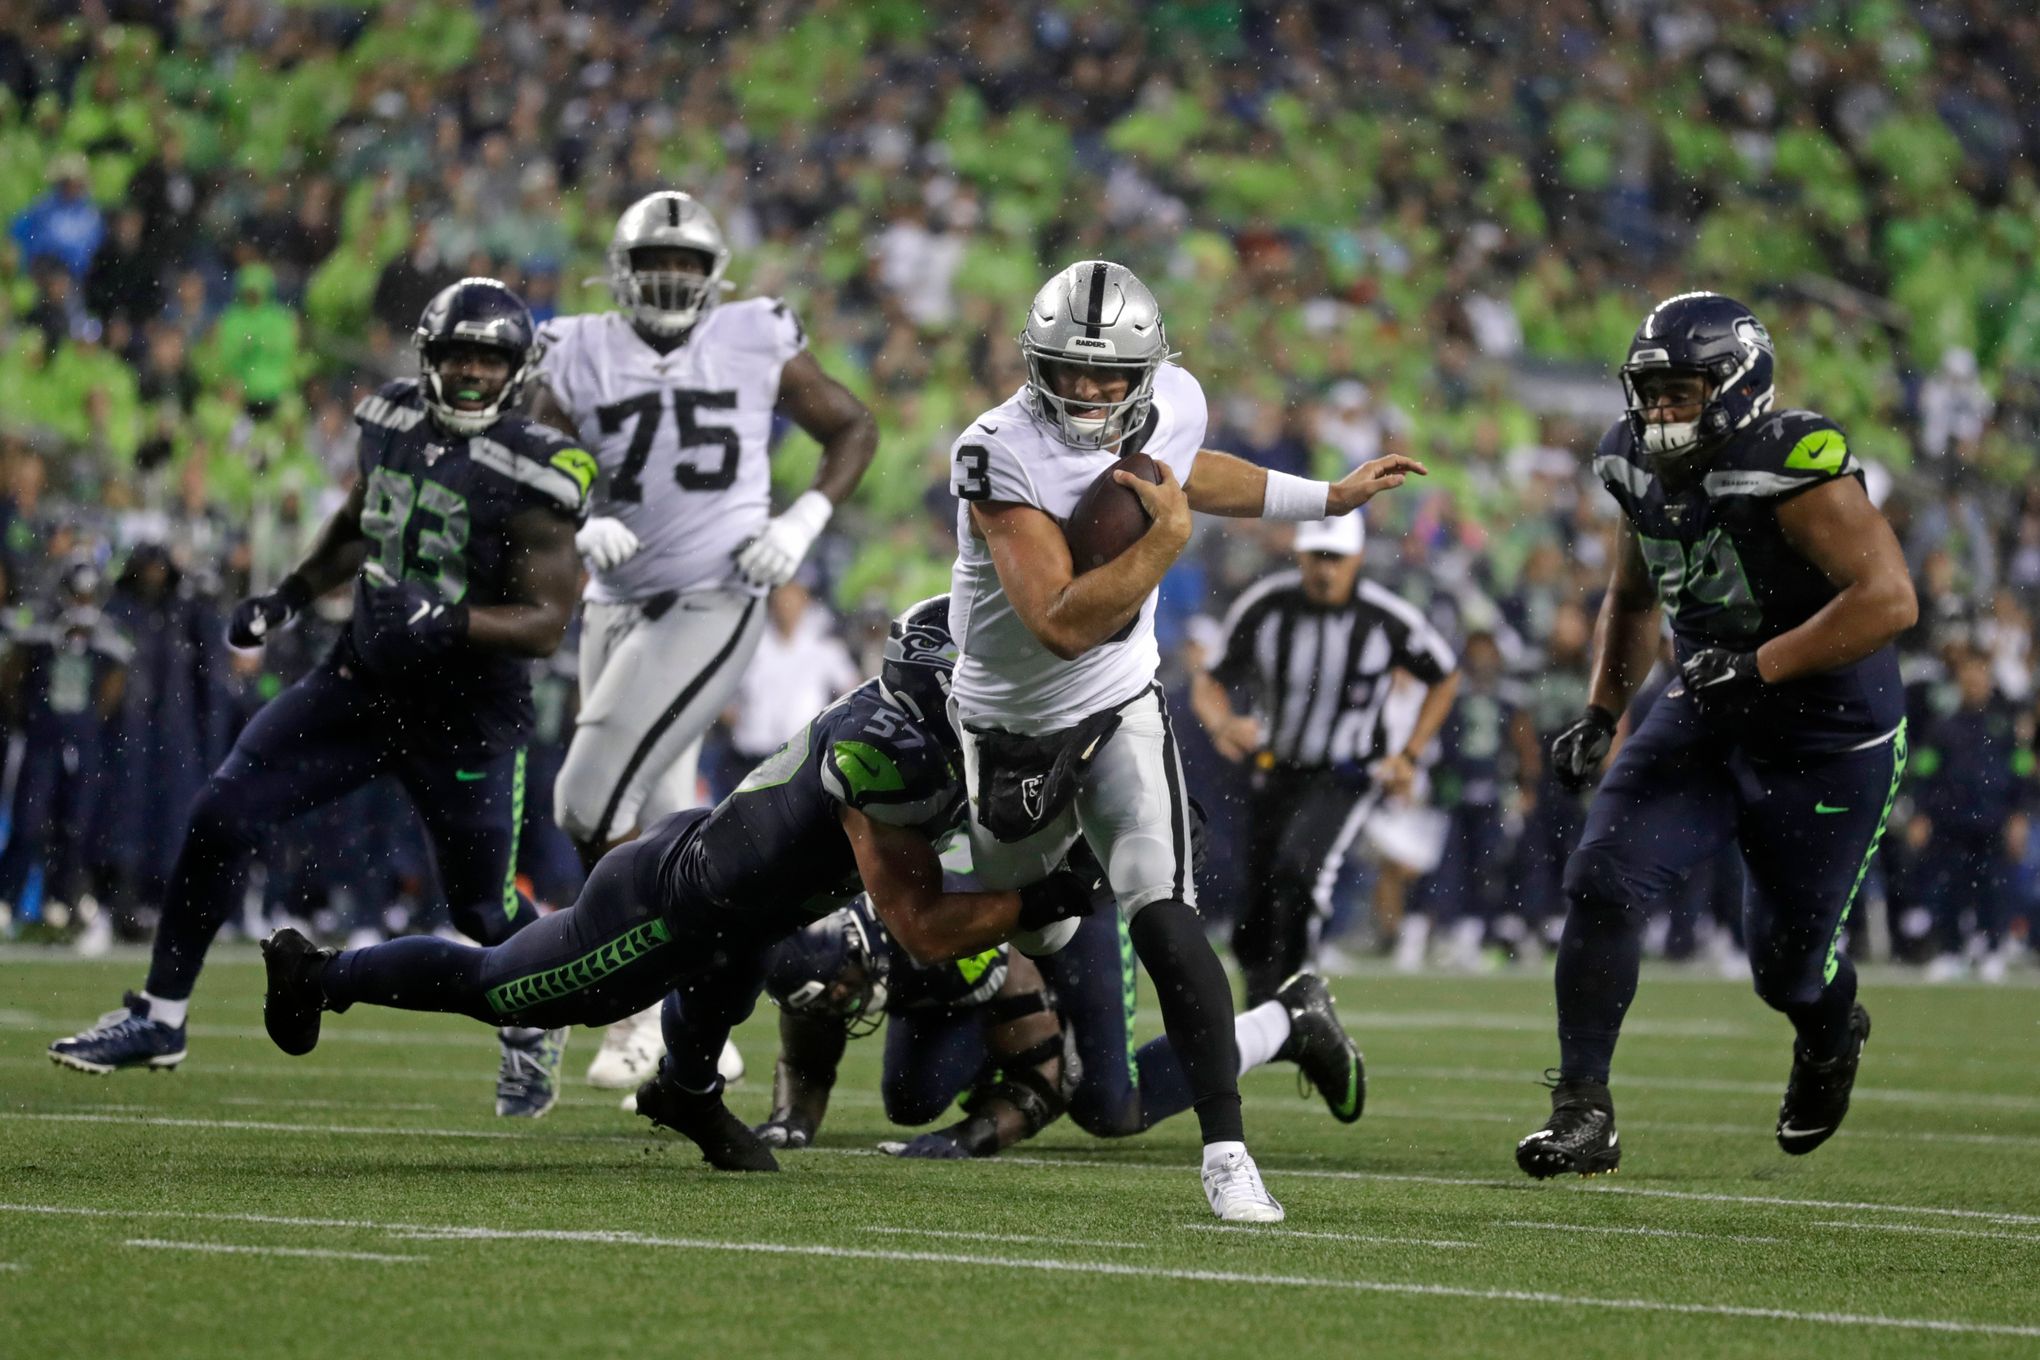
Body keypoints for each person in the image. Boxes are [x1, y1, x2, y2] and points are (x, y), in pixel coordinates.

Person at [257, 597, 1096, 1172]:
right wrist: (1049, 896)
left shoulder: (933, 737)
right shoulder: (884, 754)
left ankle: (686, 1094)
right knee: (506, 991)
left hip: (743, 903)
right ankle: (321, 973)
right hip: (669, 903)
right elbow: (918, 927)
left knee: (731, 980)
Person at [944, 259, 1423, 1221]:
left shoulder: (1173, 401)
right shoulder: (997, 450)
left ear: (1148, 369)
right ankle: (1068, 937)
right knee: (1021, 925)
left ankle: (1228, 1153)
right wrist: (1166, 545)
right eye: (1067, 371)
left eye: (1107, 375)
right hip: (1009, 724)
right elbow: (1060, 621)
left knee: (1164, 909)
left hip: (1118, 699)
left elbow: (1189, 472)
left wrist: (1318, 499)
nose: (1085, 391)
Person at [51, 279, 591, 1120]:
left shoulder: (537, 467)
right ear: (429, 358)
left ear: (517, 370)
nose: (474, 373)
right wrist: (292, 594)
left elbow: (548, 622)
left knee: (484, 911)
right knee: (223, 813)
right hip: (362, 681)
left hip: (466, 716)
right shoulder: (391, 421)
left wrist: (448, 620)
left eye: (490, 358)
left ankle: (534, 1018)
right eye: (458, 355)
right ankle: (159, 1015)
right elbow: (358, 522)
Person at [1518, 293, 1917, 1178]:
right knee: (1603, 880)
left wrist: (1766, 663)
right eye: (1650, 393)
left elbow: (1891, 599)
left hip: (1828, 737)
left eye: (1680, 393)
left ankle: (1827, 1028)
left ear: (1735, 386)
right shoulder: (1631, 463)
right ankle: (1583, 1109)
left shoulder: (1790, 463)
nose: (1659, 412)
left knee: (1786, 971)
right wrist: (1602, 713)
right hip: (1707, 713)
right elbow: (1631, 597)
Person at [530, 190, 877, 1092]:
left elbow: (852, 424)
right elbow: (532, 454)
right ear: (623, 273)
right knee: (664, 814)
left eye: (687, 265)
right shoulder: (575, 346)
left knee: (587, 797)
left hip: (716, 592)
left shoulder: (754, 332)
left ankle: (651, 995)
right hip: (614, 601)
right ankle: (696, 1013)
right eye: (656, 266)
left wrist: (802, 519)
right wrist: (578, 515)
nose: (672, 280)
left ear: (714, 274)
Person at [752, 893, 1367, 1160]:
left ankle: (1288, 1021)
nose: (845, 1000)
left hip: (1066, 906)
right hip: (981, 919)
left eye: (848, 985)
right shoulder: (843, 926)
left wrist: (977, 1134)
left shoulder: (949, 945)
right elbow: (811, 1029)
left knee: (1107, 1104)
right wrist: (791, 1123)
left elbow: (1045, 1079)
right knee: (913, 1098)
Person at [1191, 512, 1461, 1001]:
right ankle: (1261, 1005)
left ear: (1357, 558)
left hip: (1345, 774)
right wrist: (1224, 723)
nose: (1325, 570)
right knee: (1254, 902)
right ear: (1300, 554)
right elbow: (1210, 678)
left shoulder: (1384, 617)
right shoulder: (1266, 607)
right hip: (1273, 770)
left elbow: (1444, 674)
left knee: (1300, 871)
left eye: (1336, 558)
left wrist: (1410, 754)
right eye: (1317, 556)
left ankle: (1298, 991)